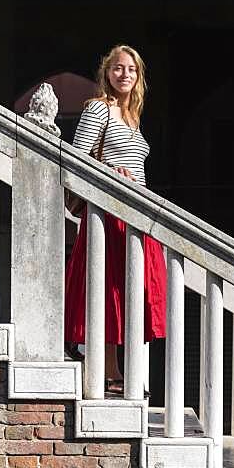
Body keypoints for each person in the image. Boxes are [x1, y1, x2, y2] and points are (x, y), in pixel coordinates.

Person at [64, 44, 167, 393]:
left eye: (132, 69)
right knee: (108, 289)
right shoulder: (99, 110)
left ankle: (123, 370)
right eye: (118, 68)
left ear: (139, 77)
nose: (125, 74)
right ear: (107, 73)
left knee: (134, 291)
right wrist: (110, 169)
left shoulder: (133, 118)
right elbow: (76, 158)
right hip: (110, 212)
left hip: (137, 213)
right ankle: (109, 370)